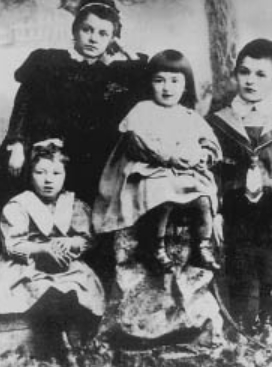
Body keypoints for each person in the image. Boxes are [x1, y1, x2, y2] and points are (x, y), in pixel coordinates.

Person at [0, 0, 147, 208]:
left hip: (83, 157)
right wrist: (17, 144)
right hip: (40, 148)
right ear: (75, 30)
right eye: (87, 30)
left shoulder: (111, 73)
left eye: (103, 34)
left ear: (112, 39)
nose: (93, 38)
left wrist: (119, 45)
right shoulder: (47, 61)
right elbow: (24, 103)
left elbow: (144, 73)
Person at [93, 49, 222, 273]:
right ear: (150, 83)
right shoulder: (142, 110)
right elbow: (137, 143)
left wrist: (201, 156)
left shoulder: (189, 115)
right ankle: (156, 247)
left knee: (204, 199)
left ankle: (203, 246)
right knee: (163, 195)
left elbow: (210, 143)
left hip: (185, 172)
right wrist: (169, 157)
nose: (167, 87)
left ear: (185, 85)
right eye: (159, 80)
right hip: (150, 170)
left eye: (175, 81)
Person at [208, 39, 272, 338]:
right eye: (245, 72)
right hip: (234, 202)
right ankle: (243, 322)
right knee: (239, 256)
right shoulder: (219, 121)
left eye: (260, 74)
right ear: (235, 74)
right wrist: (215, 209)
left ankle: (268, 320)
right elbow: (210, 169)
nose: (251, 81)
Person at [0, 141, 105, 356]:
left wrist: (71, 243)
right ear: (30, 174)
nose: (48, 180)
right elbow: (12, 244)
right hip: (30, 264)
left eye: (56, 173)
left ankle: (75, 340)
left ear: (65, 175)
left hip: (65, 265)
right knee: (37, 287)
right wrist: (43, 248)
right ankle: (53, 342)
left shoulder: (72, 204)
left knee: (79, 283)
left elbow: (87, 238)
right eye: (40, 172)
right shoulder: (20, 204)